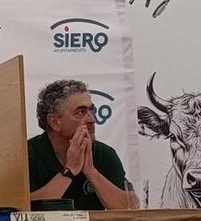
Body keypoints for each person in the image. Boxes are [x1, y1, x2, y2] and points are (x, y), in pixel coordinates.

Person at [27, 78, 136, 210]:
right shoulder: (28, 155)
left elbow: (130, 208)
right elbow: (23, 210)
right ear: (54, 122)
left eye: (92, 111)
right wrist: (69, 170)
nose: (92, 119)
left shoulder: (104, 153)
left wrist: (90, 171)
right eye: (81, 112)